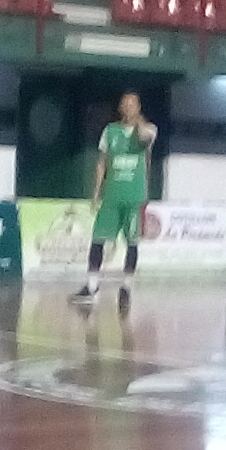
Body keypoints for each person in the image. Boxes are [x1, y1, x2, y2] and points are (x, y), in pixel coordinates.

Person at [75, 90, 156, 308]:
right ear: (120, 107)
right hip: (112, 195)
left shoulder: (149, 129)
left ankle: (126, 286)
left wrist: (137, 120)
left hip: (134, 196)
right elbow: (102, 162)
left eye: (133, 104)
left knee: (132, 242)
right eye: (125, 104)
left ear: (139, 107)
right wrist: (96, 192)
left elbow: (142, 139)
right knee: (98, 239)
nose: (129, 108)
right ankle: (92, 286)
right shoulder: (110, 131)